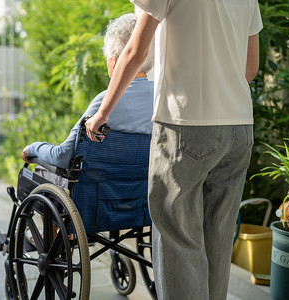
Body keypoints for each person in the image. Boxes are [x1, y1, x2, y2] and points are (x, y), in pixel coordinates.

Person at [85, 1, 262, 300]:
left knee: (178, 239)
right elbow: (250, 67)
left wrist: (102, 113)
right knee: (217, 238)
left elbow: (134, 52)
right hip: (239, 127)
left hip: (186, 123)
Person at [21, 12, 154, 179]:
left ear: (114, 60)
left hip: (96, 197)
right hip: (142, 196)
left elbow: (63, 156)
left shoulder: (105, 103)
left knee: (34, 178)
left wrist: (33, 148)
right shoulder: (161, 98)